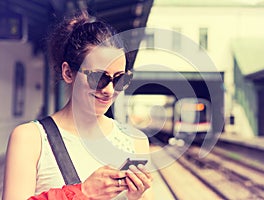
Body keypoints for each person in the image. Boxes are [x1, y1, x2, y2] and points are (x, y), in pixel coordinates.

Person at [2, 11, 153, 200]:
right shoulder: (31, 138)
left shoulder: (136, 141)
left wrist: (136, 197)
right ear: (68, 73)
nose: (109, 89)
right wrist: (84, 192)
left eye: (119, 79)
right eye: (99, 77)